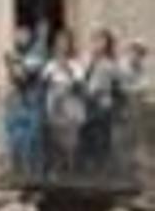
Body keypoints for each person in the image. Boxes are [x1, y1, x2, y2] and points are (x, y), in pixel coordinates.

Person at [4, 24, 48, 179]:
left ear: (30, 36)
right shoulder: (16, 55)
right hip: (18, 105)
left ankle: (33, 173)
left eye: (23, 34)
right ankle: (16, 169)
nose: (19, 37)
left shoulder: (36, 54)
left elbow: (22, 76)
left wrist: (13, 64)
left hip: (32, 104)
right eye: (17, 34)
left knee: (32, 141)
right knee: (14, 140)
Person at [42, 30, 87, 175]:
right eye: (60, 42)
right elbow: (44, 83)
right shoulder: (50, 64)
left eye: (66, 42)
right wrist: (51, 76)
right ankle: (57, 168)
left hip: (71, 103)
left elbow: (80, 83)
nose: (63, 46)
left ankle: (71, 169)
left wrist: (67, 70)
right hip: (55, 103)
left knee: (71, 140)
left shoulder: (76, 63)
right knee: (56, 137)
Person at [82, 29, 125, 173]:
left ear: (107, 44)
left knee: (102, 137)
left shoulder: (110, 63)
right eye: (95, 40)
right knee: (88, 137)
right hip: (88, 103)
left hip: (103, 104)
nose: (98, 44)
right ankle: (91, 168)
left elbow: (118, 83)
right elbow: (84, 79)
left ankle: (103, 169)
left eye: (101, 41)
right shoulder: (89, 61)